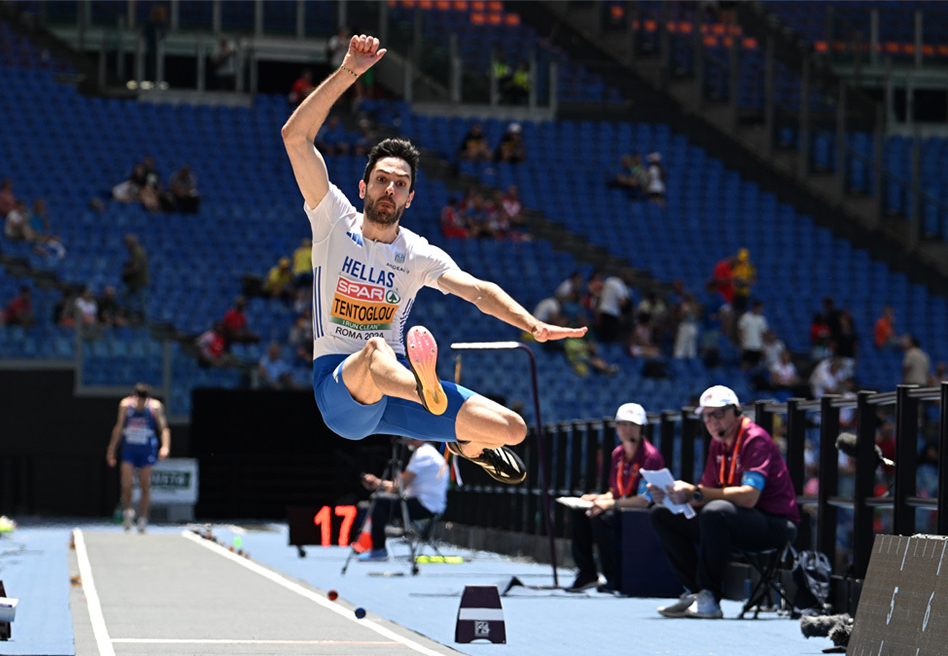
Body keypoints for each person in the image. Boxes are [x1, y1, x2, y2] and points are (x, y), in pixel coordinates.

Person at [280, 33, 586, 484]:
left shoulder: (417, 252)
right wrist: (350, 72)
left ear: (410, 197)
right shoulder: (332, 220)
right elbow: (296, 137)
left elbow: (479, 291)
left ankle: (466, 445)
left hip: (403, 395)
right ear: (363, 188)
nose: (390, 188)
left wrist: (532, 325)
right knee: (376, 349)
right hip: (342, 393)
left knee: (514, 429)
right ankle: (427, 389)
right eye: (381, 179)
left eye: (399, 183)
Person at [648, 385, 799, 619]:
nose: (711, 420)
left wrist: (695, 492)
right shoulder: (717, 443)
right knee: (661, 513)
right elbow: (704, 493)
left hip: (773, 524)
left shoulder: (754, 439)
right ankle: (696, 592)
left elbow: (749, 497)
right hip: (731, 520)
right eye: (706, 415)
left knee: (715, 511)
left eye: (718, 413)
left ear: (736, 411)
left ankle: (711, 596)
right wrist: (674, 496)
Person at [566, 403, 664, 592]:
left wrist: (609, 504)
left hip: (639, 514)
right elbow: (615, 490)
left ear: (642, 428)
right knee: (580, 511)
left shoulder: (651, 457)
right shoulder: (617, 454)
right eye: (623, 424)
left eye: (633, 425)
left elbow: (644, 500)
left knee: (602, 517)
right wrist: (598, 498)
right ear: (617, 427)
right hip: (621, 506)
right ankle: (587, 573)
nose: (628, 430)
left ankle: (613, 576)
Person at [357, 437, 449, 561]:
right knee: (383, 499)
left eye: (414, 436)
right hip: (428, 504)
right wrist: (382, 485)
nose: (409, 438)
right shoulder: (428, 452)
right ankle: (377, 548)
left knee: (379, 500)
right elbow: (399, 487)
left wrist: (377, 482)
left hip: (425, 506)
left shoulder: (423, 453)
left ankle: (379, 549)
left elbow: (399, 487)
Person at [105, 383, 170, 533]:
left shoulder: (155, 407)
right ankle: (128, 511)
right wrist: (111, 450)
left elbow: (164, 428)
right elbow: (119, 427)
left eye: (143, 400)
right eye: (138, 399)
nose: (140, 403)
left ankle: (143, 519)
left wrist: (165, 446)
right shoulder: (125, 405)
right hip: (130, 450)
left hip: (146, 450)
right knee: (127, 484)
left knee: (145, 484)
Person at [121, 234, 151, 323]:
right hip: (134, 282)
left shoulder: (137, 252)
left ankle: (146, 321)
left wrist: (126, 272)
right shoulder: (135, 251)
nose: (126, 245)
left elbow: (136, 268)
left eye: (127, 243)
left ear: (131, 243)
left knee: (142, 302)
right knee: (125, 294)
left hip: (139, 282)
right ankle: (133, 314)